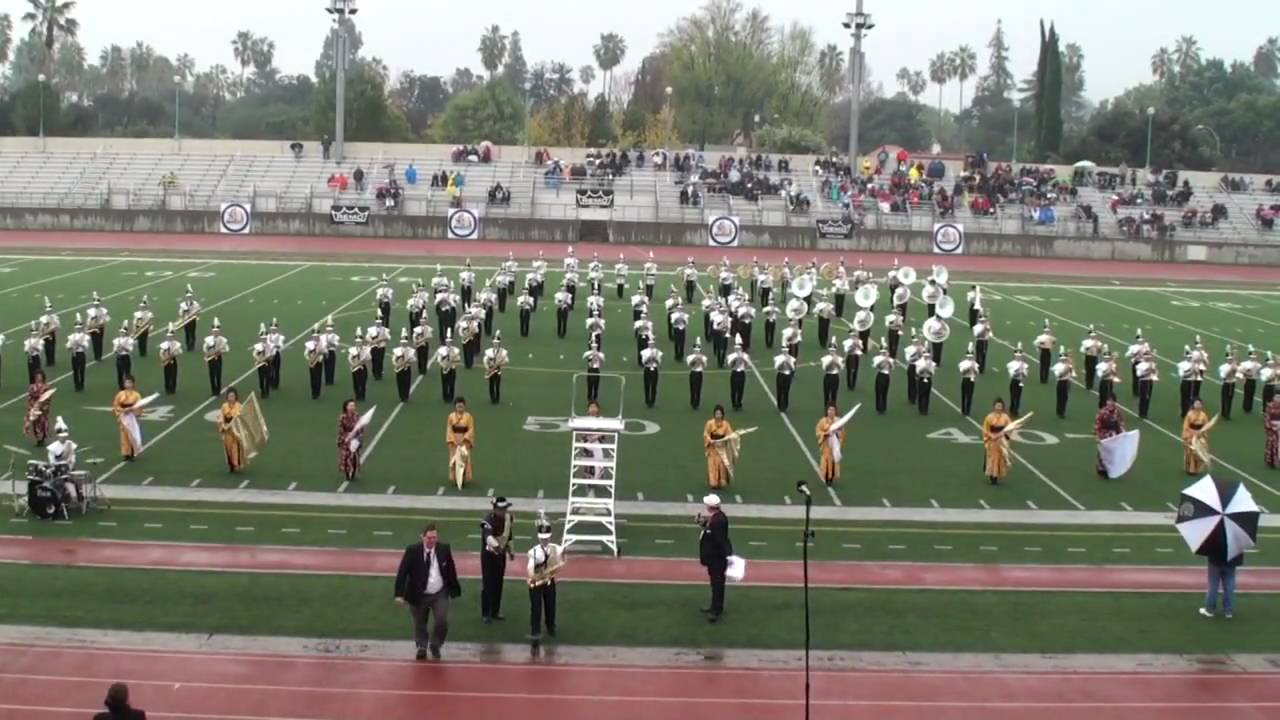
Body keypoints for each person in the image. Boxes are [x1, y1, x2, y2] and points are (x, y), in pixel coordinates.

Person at [394, 523, 462, 660]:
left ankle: (436, 645)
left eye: (434, 538)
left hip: (439, 592)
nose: (432, 541)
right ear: (422, 537)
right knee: (420, 623)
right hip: (418, 593)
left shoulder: (444, 549)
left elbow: (451, 568)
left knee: (442, 620)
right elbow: (402, 572)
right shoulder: (412, 550)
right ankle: (422, 646)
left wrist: (454, 588)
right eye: (429, 538)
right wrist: (399, 594)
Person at [527, 517, 564, 644]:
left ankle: (550, 626)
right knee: (536, 608)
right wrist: (535, 577)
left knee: (550, 605)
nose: (544, 540)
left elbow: (560, 559)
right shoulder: (534, 552)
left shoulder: (556, 549)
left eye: (546, 538)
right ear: (539, 538)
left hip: (549, 581)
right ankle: (535, 632)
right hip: (536, 582)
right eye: (542, 538)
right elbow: (530, 569)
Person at [697, 494, 732, 624]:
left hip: (717, 558)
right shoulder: (717, 517)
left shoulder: (718, 520)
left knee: (717, 584)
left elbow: (718, 539)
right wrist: (703, 524)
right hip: (716, 558)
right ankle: (714, 606)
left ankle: (716, 610)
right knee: (715, 583)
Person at [480, 497, 515, 623]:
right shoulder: (487, 520)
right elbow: (487, 536)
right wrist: (496, 547)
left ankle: (495, 611)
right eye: (501, 509)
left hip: (500, 555)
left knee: (498, 582)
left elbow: (508, 535)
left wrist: (511, 550)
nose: (504, 511)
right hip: (489, 555)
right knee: (488, 584)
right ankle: (486, 613)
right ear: (495, 509)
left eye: (505, 509)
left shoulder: (508, 518)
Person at [1200, 553, 1242, 620]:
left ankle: (1210, 610)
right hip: (1231, 559)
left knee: (1213, 585)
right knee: (1229, 585)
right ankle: (1228, 611)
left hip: (1216, 559)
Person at [982, 398, 1013, 485]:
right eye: (997, 405)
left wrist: (1004, 435)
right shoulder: (989, 417)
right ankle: (992, 476)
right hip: (992, 440)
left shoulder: (1005, 417)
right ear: (994, 406)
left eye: (1000, 406)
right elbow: (985, 429)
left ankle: (997, 475)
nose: (999, 407)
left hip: (1001, 440)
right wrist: (990, 435)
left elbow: (1010, 427)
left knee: (1000, 458)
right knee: (992, 458)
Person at [113, 376, 143, 461]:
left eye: (129, 382)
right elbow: (116, 405)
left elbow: (139, 405)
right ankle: (126, 453)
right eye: (126, 382)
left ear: (133, 384)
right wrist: (122, 410)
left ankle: (132, 452)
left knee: (132, 434)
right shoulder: (120, 394)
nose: (128, 384)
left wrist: (133, 411)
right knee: (124, 435)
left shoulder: (136, 395)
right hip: (123, 415)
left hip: (131, 416)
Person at [703, 405, 734, 489]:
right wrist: (710, 440)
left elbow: (730, 435)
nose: (718, 415)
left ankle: (722, 480)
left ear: (722, 415)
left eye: (719, 414)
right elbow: (706, 434)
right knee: (713, 466)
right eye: (716, 414)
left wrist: (723, 441)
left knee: (721, 465)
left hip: (721, 449)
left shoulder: (726, 424)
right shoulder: (710, 423)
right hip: (712, 449)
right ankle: (713, 480)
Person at [446, 397, 475, 486]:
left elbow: (471, 429)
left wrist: (465, 438)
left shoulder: (468, 416)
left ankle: (464, 477)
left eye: (461, 406)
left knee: (464, 460)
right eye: (458, 406)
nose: (460, 408)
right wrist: (452, 440)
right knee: (455, 460)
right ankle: (455, 477)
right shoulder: (451, 416)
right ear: (455, 407)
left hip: (464, 441)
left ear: (464, 407)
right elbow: (449, 429)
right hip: (454, 441)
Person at [1094, 396, 1125, 477]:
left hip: (1114, 436)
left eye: (1112, 401)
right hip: (1104, 435)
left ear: (1114, 402)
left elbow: (1121, 422)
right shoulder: (1102, 412)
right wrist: (1097, 436)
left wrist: (1122, 430)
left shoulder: (1117, 411)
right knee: (1103, 453)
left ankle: (1111, 468)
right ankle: (1101, 468)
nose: (1110, 403)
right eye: (1108, 400)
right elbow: (1097, 425)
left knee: (1113, 453)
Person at [816, 403, 845, 485]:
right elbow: (818, 432)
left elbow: (842, 432)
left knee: (833, 462)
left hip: (834, 445)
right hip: (826, 445)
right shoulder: (822, 421)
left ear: (835, 411)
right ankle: (826, 477)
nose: (831, 412)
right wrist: (826, 434)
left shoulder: (838, 421)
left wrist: (837, 432)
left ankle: (831, 478)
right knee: (825, 462)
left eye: (833, 410)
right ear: (827, 411)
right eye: (830, 410)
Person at [1182, 398, 1212, 475]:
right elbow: (1186, 426)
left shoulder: (1203, 415)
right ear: (1193, 405)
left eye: (1199, 404)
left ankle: (1196, 468)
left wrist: (1202, 433)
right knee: (1191, 451)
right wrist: (1192, 434)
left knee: (1199, 451)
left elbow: (1206, 426)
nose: (1198, 405)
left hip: (1200, 435)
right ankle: (1190, 469)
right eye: (1196, 404)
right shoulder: (1189, 414)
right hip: (1190, 435)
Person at [337, 399, 363, 483]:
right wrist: (344, 438)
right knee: (346, 457)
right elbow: (340, 429)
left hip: (355, 439)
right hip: (346, 439)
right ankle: (347, 474)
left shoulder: (357, 416)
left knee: (354, 457)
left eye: (353, 406)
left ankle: (353, 473)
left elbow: (360, 428)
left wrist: (357, 437)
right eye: (350, 405)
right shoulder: (342, 417)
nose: (352, 407)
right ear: (346, 407)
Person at [219, 387, 244, 473]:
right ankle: (231, 465)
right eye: (230, 396)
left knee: (236, 448)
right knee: (228, 449)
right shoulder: (224, 406)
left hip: (236, 431)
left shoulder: (239, 406)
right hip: (228, 431)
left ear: (236, 396)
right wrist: (223, 426)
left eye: (233, 396)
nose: (231, 398)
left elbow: (241, 419)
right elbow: (221, 418)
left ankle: (237, 464)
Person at [24, 369, 52, 446]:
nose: (39, 379)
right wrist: (32, 405)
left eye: (40, 377)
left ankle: (43, 437)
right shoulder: (32, 387)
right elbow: (30, 397)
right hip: (34, 407)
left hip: (43, 407)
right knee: (35, 423)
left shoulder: (46, 386)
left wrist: (44, 404)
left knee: (43, 422)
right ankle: (38, 438)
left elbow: (49, 397)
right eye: (37, 377)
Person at [203, 318, 229, 397]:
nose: (215, 332)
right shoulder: (208, 339)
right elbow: (205, 348)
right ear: (212, 331)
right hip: (211, 358)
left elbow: (227, 349)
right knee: (211, 374)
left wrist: (220, 352)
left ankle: (218, 390)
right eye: (214, 331)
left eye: (217, 331)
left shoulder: (222, 340)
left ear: (219, 331)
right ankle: (213, 390)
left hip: (218, 358)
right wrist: (208, 354)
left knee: (218, 374)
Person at [158, 324, 183, 395]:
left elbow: (180, 351)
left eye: (171, 336)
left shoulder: (177, 344)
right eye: (168, 336)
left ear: (173, 336)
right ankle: (167, 388)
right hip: (166, 360)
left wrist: (175, 353)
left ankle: (173, 389)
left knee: (173, 374)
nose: (170, 337)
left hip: (173, 360)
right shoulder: (164, 344)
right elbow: (161, 352)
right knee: (167, 374)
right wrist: (163, 358)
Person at [112, 322, 134, 391]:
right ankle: (121, 387)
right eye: (121, 332)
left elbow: (129, 350)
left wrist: (123, 347)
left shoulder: (129, 340)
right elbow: (114, 351)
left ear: (126, 333)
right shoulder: (116, 340)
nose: (122, 333)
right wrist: (117, 350)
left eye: (123, 332)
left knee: (127, 373)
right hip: (119, 357)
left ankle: (128, 386)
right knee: (120, 373)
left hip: (126, 357)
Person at [1264, 394, 1280, 468]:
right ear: (1273, 397)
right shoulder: (1269, 405)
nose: (1278, 399)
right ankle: (1271, 461)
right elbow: (1267, 417)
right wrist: (1270, 427)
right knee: (1272, 444)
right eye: (1277, 397)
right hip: (1272, 428)